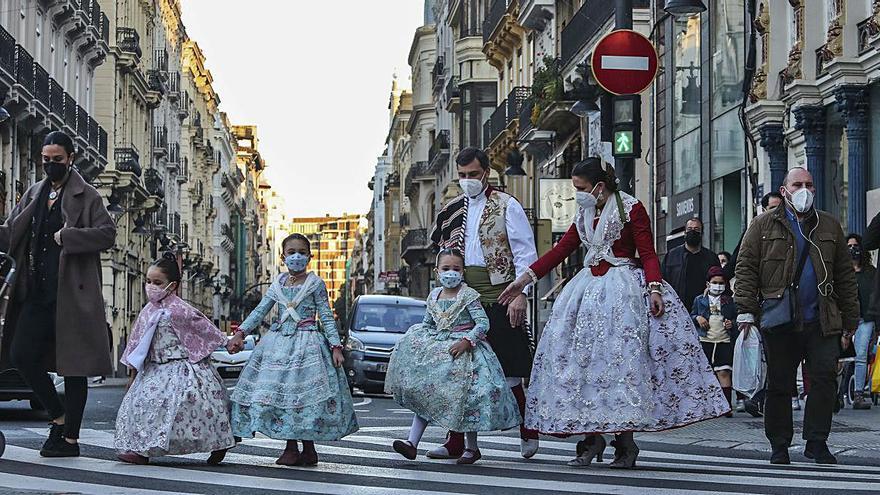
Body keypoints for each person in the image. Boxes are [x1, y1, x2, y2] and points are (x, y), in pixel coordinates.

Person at [499, 159, 729, 469]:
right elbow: (561, 250)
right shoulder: (584, 212)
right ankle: (591, 438)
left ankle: (624, 443)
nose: (576, 194)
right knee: (584, 367)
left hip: (624, 293)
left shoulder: (631, 208)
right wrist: (524, 279)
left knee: (622, 366)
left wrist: (654, 289)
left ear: (599, 186)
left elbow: (647, 252)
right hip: (587, 293)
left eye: (580, 188)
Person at [0, 131, 116, 457]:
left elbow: (107, 234)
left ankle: (70, 439)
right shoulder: (36, 192)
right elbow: (12, 232)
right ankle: (58, 415)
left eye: (57, 160)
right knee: (20, 354)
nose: (51, 166)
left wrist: (69, 236)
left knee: (74, 367)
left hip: (71, 294)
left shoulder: (87, 195)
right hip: (36, 291)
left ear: (71, 159)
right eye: (46, 160)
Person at [735, 167, 860, 465]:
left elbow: (844, 275)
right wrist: (746, 312)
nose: (804, 189)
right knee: (780, 384)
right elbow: (745, 268)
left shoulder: (829, 226)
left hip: (822, 319)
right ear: (784, 190)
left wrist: (850, 321)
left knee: (824, 380)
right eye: (797, 184)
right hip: (780, 320)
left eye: (809, 184)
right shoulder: (762, 225)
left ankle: (817, 442)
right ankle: (779, 445)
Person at [429, 147, 539, 459]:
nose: (467, 181)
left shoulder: (507, 205)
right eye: (462, 176)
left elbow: (525, 253)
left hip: (500, 295)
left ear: (486, 172)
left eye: (473, 175)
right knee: (458, 372)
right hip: (463, 299)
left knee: (510, 369)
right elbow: (442, 255)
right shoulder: (451, 210)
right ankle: (455, 440)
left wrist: (521, 293)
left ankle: (528, 428)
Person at [227, 233, 358, 466]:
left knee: (304, 397)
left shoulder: (315, 283)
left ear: (310, 256)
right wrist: (240, 334)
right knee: (282, 396)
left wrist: (335, 346)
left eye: (301, 252)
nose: (296, 256)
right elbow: (260, 310)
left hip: (307, 344)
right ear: (282, 257)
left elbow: (326, 316)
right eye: (291, 252)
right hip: (278, 344)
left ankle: (306, 449)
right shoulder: (277, 284)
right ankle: (292, 447)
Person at [385, 249, 520, 465]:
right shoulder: (434, 295)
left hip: (466, 353)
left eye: (456, 269)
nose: (451, 273)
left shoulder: (469, 295)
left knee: (467, 399)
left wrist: (468, 341)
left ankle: (472, 448)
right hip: (440, 353)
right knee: (426, 394)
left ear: (463, 272)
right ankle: (412, 443)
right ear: (437, 272)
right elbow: (428, 323)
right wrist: (423, 341)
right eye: (446, 269)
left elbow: (483, 323)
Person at [114, 253, 235, 465]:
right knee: (144, 406)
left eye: (157, 282)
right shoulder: (147, 311)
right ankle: (141, 450)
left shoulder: (181, 309)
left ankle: (220, 443)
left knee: (197, 407)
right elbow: (136, 342)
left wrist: (226, 341)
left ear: (172, 285)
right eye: (149, 281)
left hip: (183, 367)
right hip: (153, 369)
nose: (151, 286)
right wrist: (132, 373)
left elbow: (204, 327)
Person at [691, 266, 738, 417]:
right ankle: (704, 406)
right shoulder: (700, 300)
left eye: (721, 283)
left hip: (723, 341)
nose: (718, 286)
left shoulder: (729, 302)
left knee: (724, 372)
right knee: (704, 373)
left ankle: (726, 406)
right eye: (715, 282)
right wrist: (697, 318)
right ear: (708, 284)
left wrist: (732, 323)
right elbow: (691, 315)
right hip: (705, 340)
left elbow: (736, 318)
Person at [661, 217, 720, 312]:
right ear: (684, 232)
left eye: (696, 229)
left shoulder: (711, 258)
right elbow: (663, 281)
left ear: (702, 233)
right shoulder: (672, 256)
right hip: (678, 309)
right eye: (689, 229)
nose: (693, 231)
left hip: (704, 310)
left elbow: (719, 281)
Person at [846, 233, 876, 410]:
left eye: (855, 246)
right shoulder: (843, 272)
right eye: (849, 246)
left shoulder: (870, 273)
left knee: (860, 355)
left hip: (865, 319)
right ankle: (839, 393)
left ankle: (858, 393)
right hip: (847, 319)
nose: (852, 249)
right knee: (841, 357)